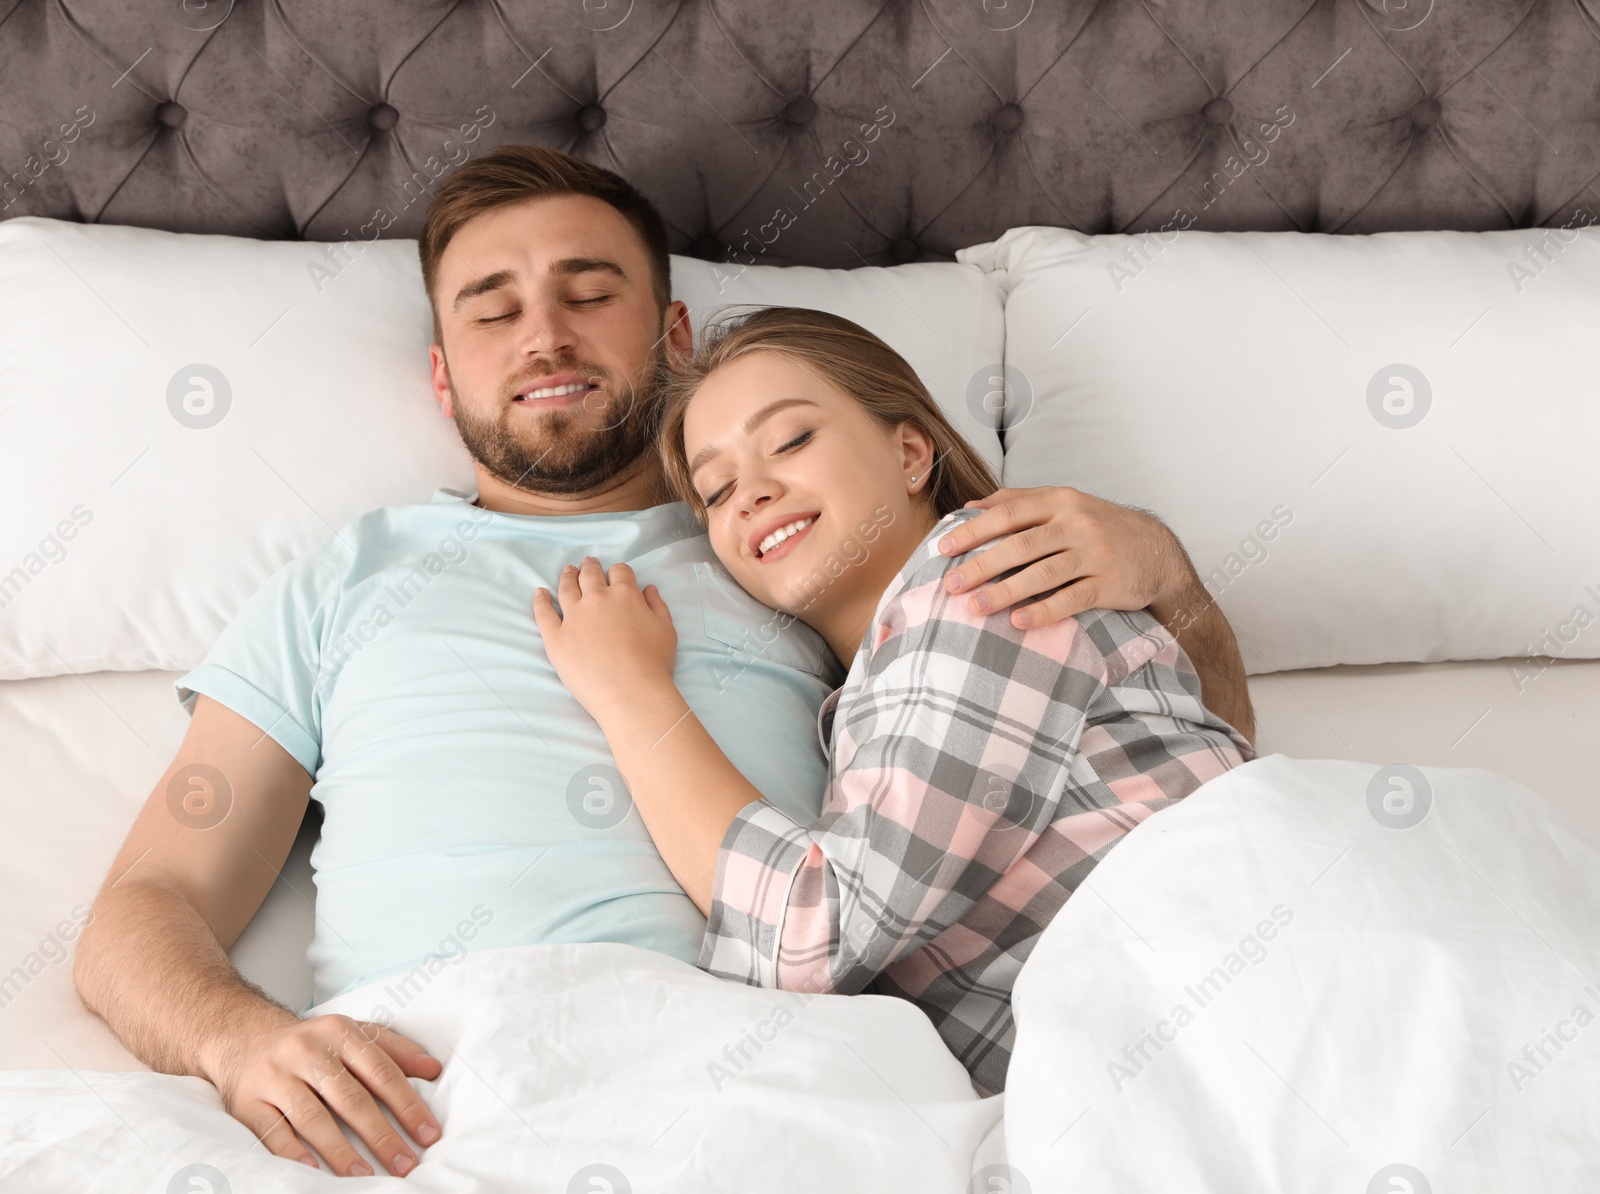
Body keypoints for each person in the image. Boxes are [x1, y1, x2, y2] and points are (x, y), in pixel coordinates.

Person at [72, 146, 1255, 1177]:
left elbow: (1176, 762)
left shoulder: (788, 550)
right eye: (491, 309)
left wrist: (1171, 578)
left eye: (591, 293)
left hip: (761, 1071)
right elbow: (146, 902)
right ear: (441, 375)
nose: (545, 334)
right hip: (432, 1078)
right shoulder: (341, 582)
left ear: (675, 338)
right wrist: (239, 1040)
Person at [534, 307, 1254, 1096]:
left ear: (910, 453)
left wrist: (630, 693)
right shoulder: (873, 694)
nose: (754, 493)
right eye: (716, 489)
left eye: (791, 440)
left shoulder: (979, 579)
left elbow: (816, 932)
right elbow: (1223, 759)